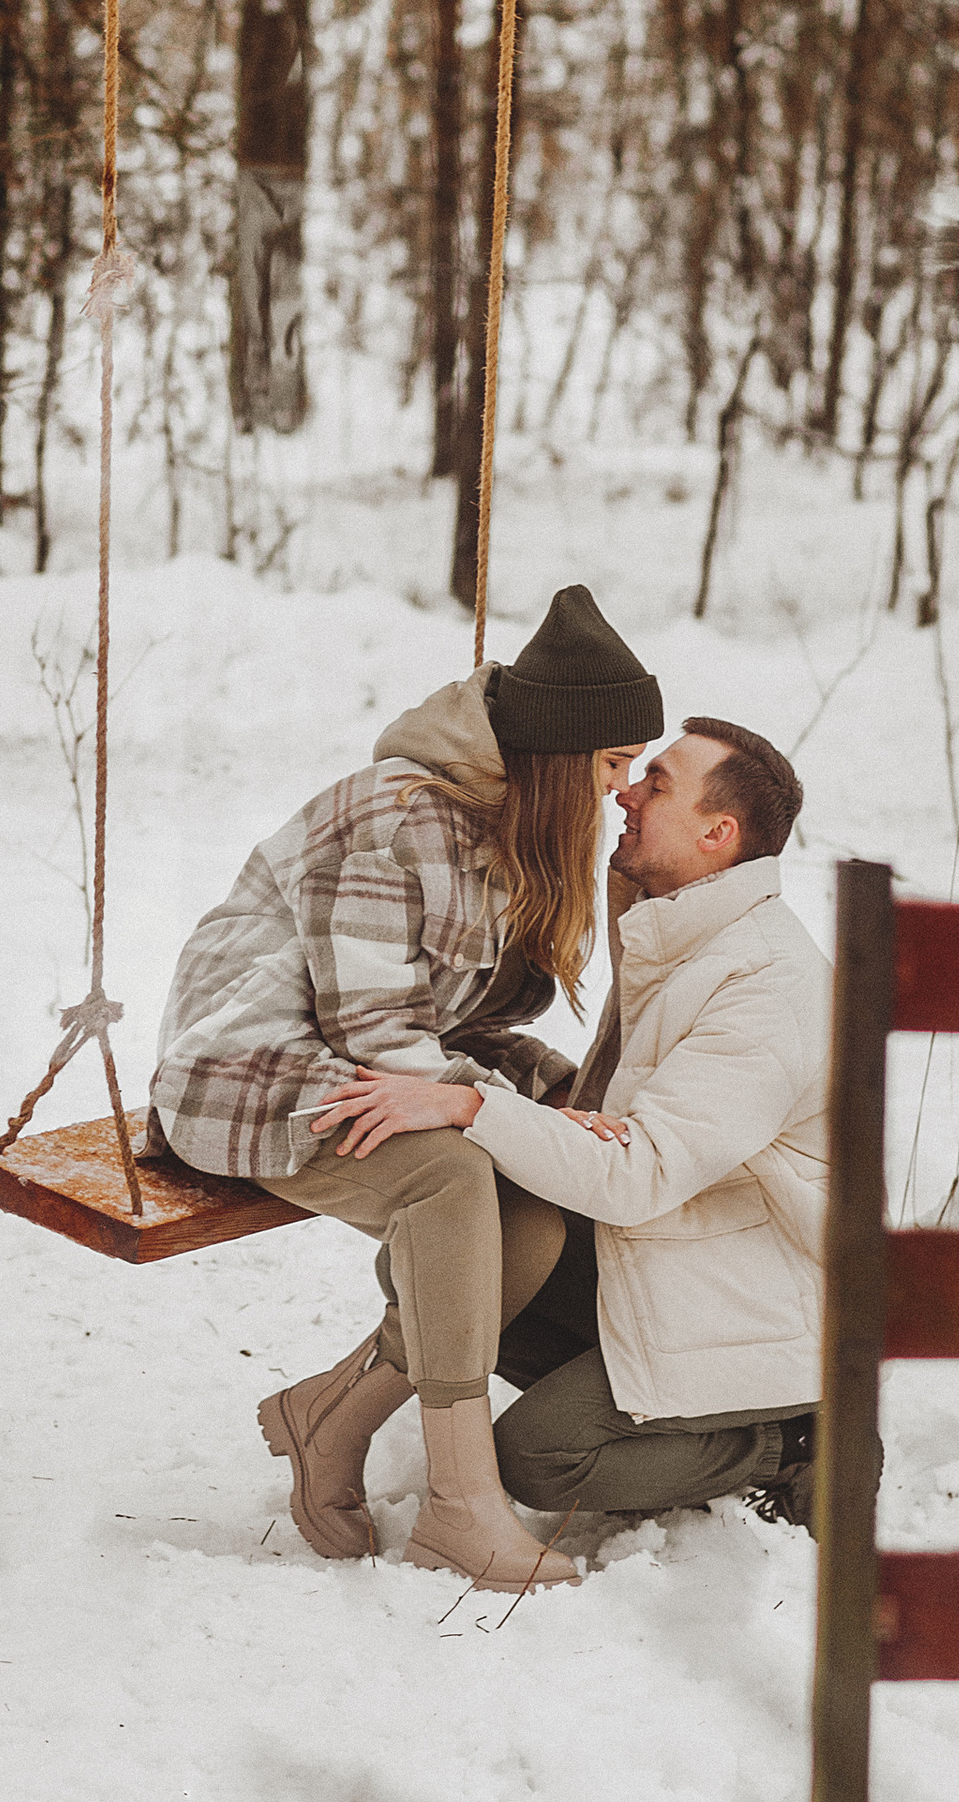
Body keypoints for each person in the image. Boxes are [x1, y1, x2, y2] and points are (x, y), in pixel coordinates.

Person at [150, 588, 663, 1592]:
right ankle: (459, 1509)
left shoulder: (495, 828)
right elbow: (378, 1032)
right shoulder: (395, 821)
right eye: (610, 765)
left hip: (342, 1068)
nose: (619, 790)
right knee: (449, 1184)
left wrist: (552, 1098)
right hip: (242, 1070)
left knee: (532, 1227)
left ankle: (327, 1422)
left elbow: (456, 1026)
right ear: (561, 757)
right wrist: (500, 1111)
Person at [313, 719, 829, 1541]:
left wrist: (471, 1104)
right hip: (682, 1246)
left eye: (655, 784)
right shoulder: (685, 931)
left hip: (759, 1295)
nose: (624, 792)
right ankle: (662, 1414)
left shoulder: (767, 985)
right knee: (468, 1269)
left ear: (717, 834)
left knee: (542, 1458)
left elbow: (641, 1172)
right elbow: (632, 1117)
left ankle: (788, 1444)